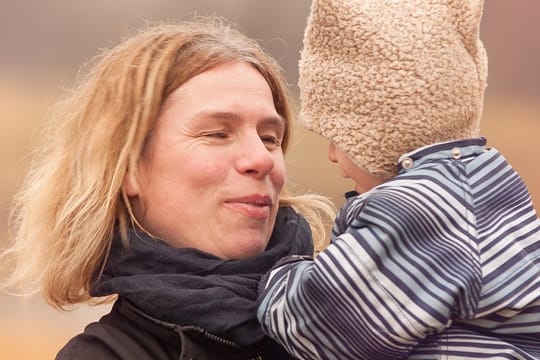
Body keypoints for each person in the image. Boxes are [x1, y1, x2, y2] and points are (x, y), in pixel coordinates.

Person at [1, 18, 335, 359]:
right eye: (217, 133)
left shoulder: (356, 321)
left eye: (269, 138)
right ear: (128, 166)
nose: (261, 160)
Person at [257, 0, 540, 359]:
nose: (331, 154)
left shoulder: (419, 210)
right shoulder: (483, 185)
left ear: (377, 131)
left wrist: (272, 273)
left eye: (337, 136)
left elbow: (320, 324)